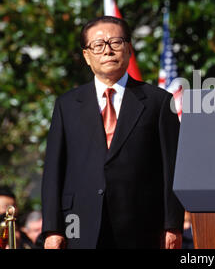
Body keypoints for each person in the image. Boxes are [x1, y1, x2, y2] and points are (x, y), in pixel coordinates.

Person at [41, 16, 184, 249]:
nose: (107, 51)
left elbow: (173, 166)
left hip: (141, 226)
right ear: (87, 56)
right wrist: (52, 229)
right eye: (98, 46)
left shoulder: (158, 102)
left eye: (115, 43)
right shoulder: (67, 105)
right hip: (79, 225)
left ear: (128, 49)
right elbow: (54, 170)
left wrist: (173, 224)